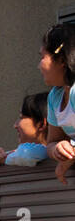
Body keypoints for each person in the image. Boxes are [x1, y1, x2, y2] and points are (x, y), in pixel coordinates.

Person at [0, 92, 50, 169]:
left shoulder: (50, 152)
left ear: (41, 124)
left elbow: (28, 153)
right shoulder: (18, 155)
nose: (15, 125)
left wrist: (3, 158)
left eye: (21, 118)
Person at [39, 23, 75, 183]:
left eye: (42, 57)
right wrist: (57, 149)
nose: (38, 65)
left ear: (61, 60)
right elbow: (52, 141)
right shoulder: (55, 96)